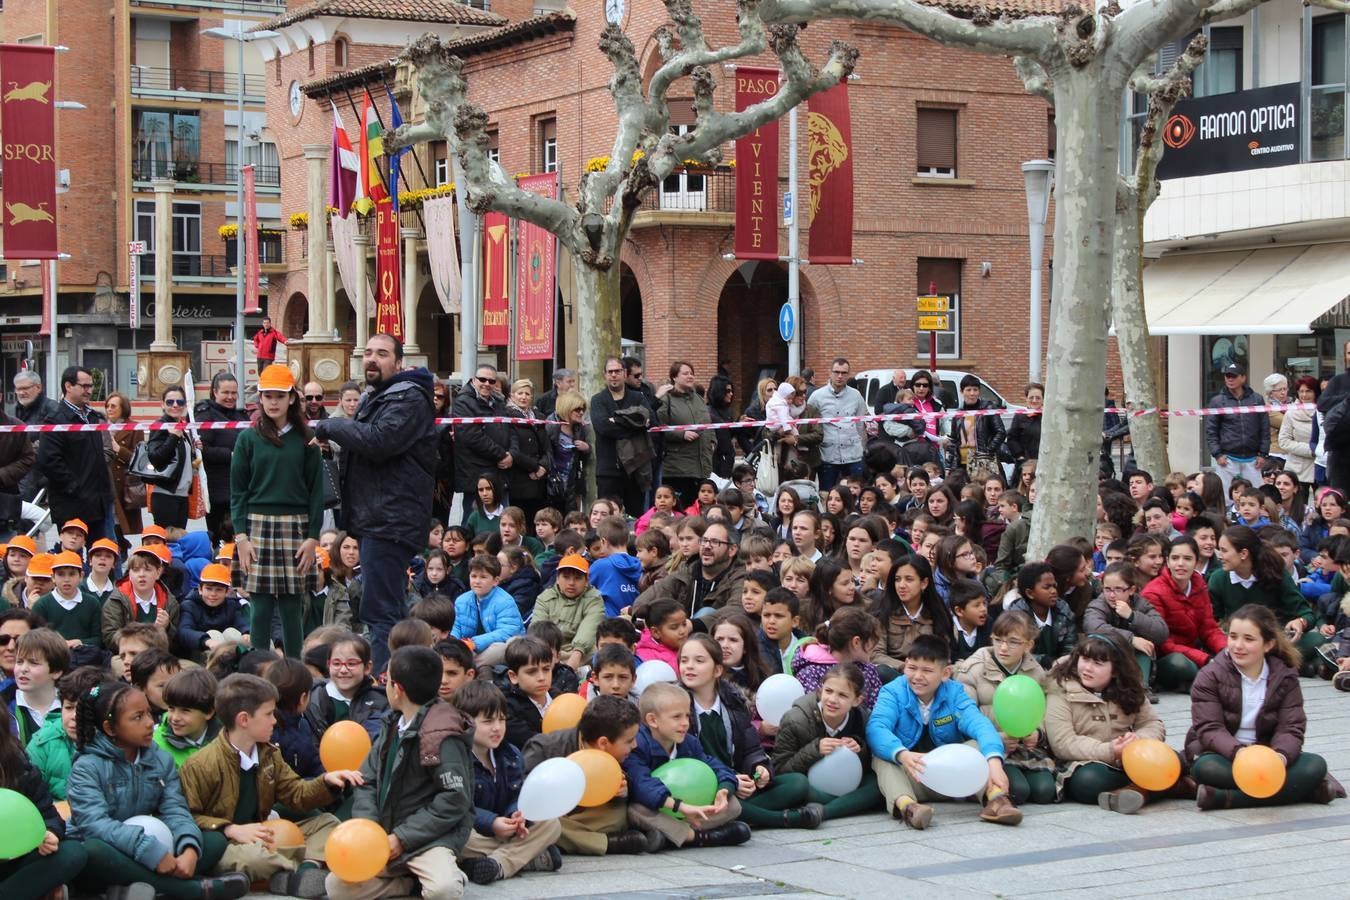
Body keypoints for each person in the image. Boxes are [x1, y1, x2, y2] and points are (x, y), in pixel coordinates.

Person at [312, 334, 436, 675]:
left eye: (381, 354)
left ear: (398, 363)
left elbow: (380, 441)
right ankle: (404, 675)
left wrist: (331, 425)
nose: (371, 359)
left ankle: (387, 681)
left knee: (380, 610)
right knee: (386, 607)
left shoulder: (407, 397)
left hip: (391, 519)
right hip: (376, 518)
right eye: (367, 353)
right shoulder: (379, 396)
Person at [68, 680, 250, 900]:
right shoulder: (87, 766)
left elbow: (175, 809)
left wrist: (188, 848)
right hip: (112, 852)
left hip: (155, 845)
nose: (149, 723)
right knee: (92, 850)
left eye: (148, 713)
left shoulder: (160, 760)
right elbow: (95, 825)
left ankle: (137, 891)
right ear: (110, 728)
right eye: (137, 717)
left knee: (213, 841)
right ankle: (192, 889)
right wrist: (148, 850)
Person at [181, 674, 357, 897]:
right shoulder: (200, 764)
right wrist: (229, 828)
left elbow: (296, 793)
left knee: (328, 823)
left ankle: (303, 871)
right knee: (255, 859)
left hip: (264, 834)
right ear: (244, 720)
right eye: (268, 714)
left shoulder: (269, 753)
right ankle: (294, 871)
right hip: (231, 845)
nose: (275, 720)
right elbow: (187, 817)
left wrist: (327, 783)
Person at [324, 646, 476, 900]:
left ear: (398, 689)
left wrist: (403, 838)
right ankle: (409, 885)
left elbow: (453, 798)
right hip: (384, 833)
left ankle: (440, 874)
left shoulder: (442, 734)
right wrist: (370, 829)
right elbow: (366, 780)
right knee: (337, 886)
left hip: (428, 839)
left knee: (443, 889)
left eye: (386, 680)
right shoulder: (392, 723)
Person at [1186, 604, 1340, 809]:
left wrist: (1280, 757)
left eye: (1248, 639)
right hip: (1224, 755)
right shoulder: (1209, 676)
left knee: (1315, 765)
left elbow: (1291, 727)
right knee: (1205, 768)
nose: (1237, 645)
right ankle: (1304, 791)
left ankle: (1226, 798)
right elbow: (1209, 729)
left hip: (1268, 754)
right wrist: (1240, 754)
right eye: (1232, 637)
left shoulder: (1285, 676)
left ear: (1268, 644)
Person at [867, 634, 1020, 829]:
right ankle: (909, 808)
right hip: (913, 774)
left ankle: (997, 800)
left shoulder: (955, 693)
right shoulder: (892, 692)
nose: (917, 676)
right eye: (912, 668)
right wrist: (902, 755)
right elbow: (876, 727)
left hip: (951, 776)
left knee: (976, 745)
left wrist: (994, 762)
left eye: (927, 671)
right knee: (883, 756)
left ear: (945, 673)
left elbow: (980, 725)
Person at [679, 633, 823, 829]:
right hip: (705, 786)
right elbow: (687, 760)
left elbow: (751, 750)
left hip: (739, 783)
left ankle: (732, 815)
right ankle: (784, 819)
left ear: (717, 670)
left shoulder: (734, 702)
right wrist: (729, 781)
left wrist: (759, 769)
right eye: (684, 660)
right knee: (718, 798)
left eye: (699, 661)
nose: (689, 666)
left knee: (797, 783)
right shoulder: (677, 706)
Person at [231, 365, 323, 659]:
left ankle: (294, 667)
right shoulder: (248, 438)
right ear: (260, 398)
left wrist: (312, 538)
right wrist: (241, 537)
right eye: (267, 396)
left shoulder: (306, 439)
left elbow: (316, 493)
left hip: (296, 525)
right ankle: (257, 666)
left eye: (279, 396)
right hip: (256, 525)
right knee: (259, 605)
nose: (273, 402)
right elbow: (238, 492)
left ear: (292, 398)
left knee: (292, 604)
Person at [1043, 632, 1169, 813]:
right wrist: (1110, 750)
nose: (1087, 668)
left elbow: (1152, 723)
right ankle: (1164, 786)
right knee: (1088, 782)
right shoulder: (1060, 688)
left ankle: (1136, 791)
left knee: (1174, 758)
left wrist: (1138, 741)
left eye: (1098, 663)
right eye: (1084, 659)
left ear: (1116, 670)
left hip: (1130, 758)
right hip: (1086, 763)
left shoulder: (1130, 688)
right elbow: (1062, 743)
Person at [621, 682, 750, 849]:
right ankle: (702, 836)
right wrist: (680, 807)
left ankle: (671, 836)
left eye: (687, 716)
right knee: (635, 810)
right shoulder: (638, 745)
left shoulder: (689, 743)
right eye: (677, 717)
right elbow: (641, 784)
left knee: (733, 805)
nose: (685, 723)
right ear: (653, 720)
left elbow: (714, 766)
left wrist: (724, 789)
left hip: (687, 810)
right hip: (661, 807)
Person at [954, 610, 1056, 806]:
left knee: (1045, 792)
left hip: (1025, 748)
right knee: (1018, 790)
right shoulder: (973, 668)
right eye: (998, 639)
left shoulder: (1036, 672)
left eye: (1013, 642)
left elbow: (1046, 711)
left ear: (1029, 645)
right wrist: (996, 737)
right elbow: (964, 715)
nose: (1003, 647)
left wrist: (1037, 733)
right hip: (989, 745)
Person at [0, 703, 88, 900]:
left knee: (73, 853)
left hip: (17, 859)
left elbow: (49, 816)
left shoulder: (18, 765)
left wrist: (49, 833)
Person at [36, 366, 113, 543]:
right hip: (71, 503)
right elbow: (48, 460)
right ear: (68, 386)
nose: (89, 390)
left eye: (91, 386)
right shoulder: (55, 419)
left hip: (98, 502)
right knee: (72, 558)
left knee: (100, 553)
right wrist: (74, 487)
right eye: (84, 386)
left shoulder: (92, 416)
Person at [632, 519, 746, 621]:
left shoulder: (741, 577)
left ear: (732, 550)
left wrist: (694, 625)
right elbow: (645, 600)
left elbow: (736, 609)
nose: (707, 546)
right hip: (678, 637)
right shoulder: (687, 571)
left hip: (717, 640)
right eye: (704, 540)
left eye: (715, 542)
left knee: (706, 612)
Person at [1083, 561, 1169, 685]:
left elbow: (1162, 632)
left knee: (1144, 648)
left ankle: (1141, 687)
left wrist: (1132, 616)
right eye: (1107, 589)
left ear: (1131, 590)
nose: (1112, 595)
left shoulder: (1140, 604)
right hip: (1105, 659)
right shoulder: (1098, 605)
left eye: (1118, 589)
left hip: (1134, 661)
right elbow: (1093, 627)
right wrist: (1131, 639)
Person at [591, 356, 654, 515]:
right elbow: (603, 427)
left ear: (625, 373)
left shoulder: (637, 397)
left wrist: (617, 420)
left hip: (635, 469)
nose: (614, 375)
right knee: (607, 516)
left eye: (617, 371)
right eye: (610, 371)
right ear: (604, 375)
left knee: (635, 517)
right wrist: (635, 424)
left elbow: (651, 420)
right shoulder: (598, 400)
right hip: (608, 470)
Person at [451, 364, 512, 524]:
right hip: (475, 473)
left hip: (499, 473)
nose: (487, 383)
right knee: (473, 521)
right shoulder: (463, 402)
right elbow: (471, 436)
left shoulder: (498, 402)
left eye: (491, 381)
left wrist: (512, 454)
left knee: (501, 522)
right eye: (482, 379)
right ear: (473, 380)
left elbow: (509, 430)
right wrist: (501, 454)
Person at [193, 373, 247, 544]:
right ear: (215, 392)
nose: (230, 397)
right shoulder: (205, 415)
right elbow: (203, 451)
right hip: (218, 491)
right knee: (220, 539)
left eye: (234, 393)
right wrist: (232, 455)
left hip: (242, 489)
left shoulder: (241, 416)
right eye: (225, 392)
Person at [655, 361, 714, 508]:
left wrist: (712, 441)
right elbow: (658, 428)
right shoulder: (666, 399)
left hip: (701, 467)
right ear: (674, 377)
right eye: (685, 373)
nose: (690, 376)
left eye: (691, 373)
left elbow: (709, 424)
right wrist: (681, 434)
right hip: (678, 469)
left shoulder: (699, 399)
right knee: (680, 510)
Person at [532, 554, 605, 669]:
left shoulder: (594, 599)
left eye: (577, 578)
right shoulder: (544, 598)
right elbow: (537, 630)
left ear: (586, 581)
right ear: (557, 578)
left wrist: (575, 656)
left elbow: (589, 629)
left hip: (580, 652)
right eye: (566, 577)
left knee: (598, 650)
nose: (571, 583)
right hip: (548, 650)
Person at [1206, 362, 1269, 495]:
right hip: (1227, 459)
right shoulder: (1217, 401)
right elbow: (1211, 430)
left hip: (1253, 459)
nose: (1230, 379)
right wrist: (1217, 454)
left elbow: (1264, 427)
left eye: (1233, 376)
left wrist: (1263, 454)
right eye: (1227, 376)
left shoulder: (1257, 399)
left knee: (1255, 495)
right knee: (1226, 496)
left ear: (1243, 378)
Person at [144, 386, 198, 531]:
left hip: (181, 494)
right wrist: (173, 437)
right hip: (165, 495)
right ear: (162, 404)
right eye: (170, 402)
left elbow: (184, 461)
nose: (175, 405)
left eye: (180, 402)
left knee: (179, 542)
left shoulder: (181, 428)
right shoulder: (161, 426)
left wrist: (195, 450)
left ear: (185, 405)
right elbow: (156, 458)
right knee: (168, 543)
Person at [814, 358, 867, 492]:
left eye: (844, 373)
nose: (840, 376)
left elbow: (860, 425)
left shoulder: (856, 396)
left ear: (848, 375)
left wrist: (862, 448)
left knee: (856, 494)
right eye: (836, 372)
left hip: (853, 455)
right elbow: (811, 425)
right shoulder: (817, 396)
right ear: (829, 373)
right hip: (828, 456)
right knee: (827, 494)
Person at [505, 379, 551, 530]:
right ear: (512, 395)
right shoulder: (507, 416)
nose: (524, 397)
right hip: (519, 478)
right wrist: (534, 467)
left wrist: (543, 466)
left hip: (539, 480)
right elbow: (513, 450)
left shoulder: (539, 416)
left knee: (536, 522)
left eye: (527, 394)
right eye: (520, 393)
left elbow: (547, 448)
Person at [103, 391, 143, 541]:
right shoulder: (100, 426)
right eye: (107, 406)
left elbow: (138, 459)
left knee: (120, 525)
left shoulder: (134, 427)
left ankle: (122, 550)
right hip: (105, 481)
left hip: (123, 485)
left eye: (114, 406)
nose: (109, 409)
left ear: (123, 408)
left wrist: (119, 450)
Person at [546, 390, 590, 513]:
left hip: (571, 483)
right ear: (567, 408)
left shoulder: (580, 428)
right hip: (552, 483)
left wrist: (587, 448)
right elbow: (545, 453)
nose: (581, 412)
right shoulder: (551, 425)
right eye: (577, 409)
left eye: (583, 409)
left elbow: (583, 456)